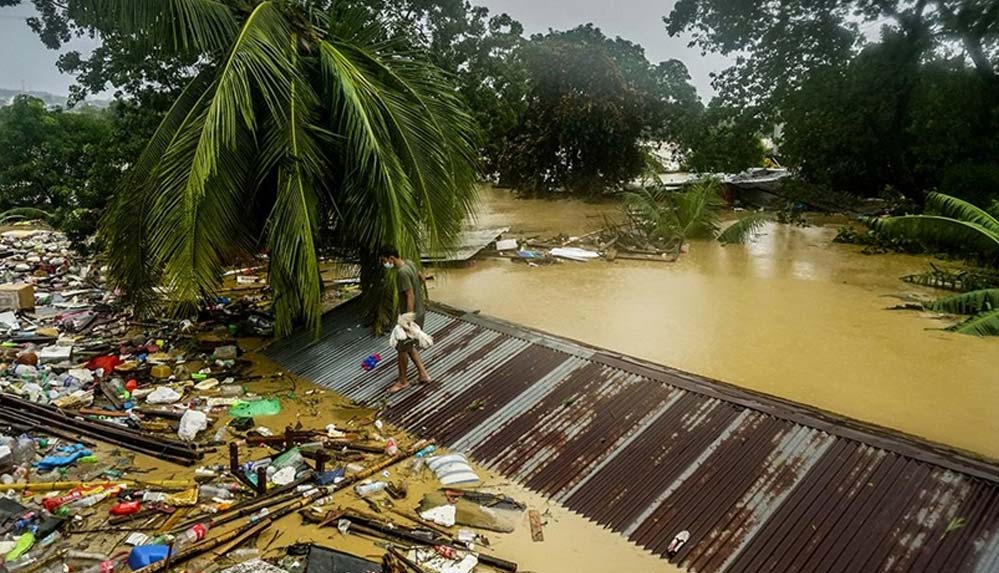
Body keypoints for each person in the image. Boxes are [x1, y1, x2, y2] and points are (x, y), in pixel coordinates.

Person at [379, 246, 432, 392]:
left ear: (391, 258)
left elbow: (410, 295)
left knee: (401, 348)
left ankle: (403, 381)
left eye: (384, 260)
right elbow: (421, 278)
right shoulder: (410, 263)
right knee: (408, 345)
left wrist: (407, 320)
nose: (385, 264)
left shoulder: (401, 273)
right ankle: (423, 374)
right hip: (419, 311)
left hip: (410, 315)